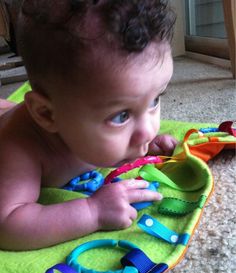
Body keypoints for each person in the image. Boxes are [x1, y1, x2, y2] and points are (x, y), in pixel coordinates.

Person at [0, 0, 177, 250]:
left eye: (154, 101)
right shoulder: (20, 149)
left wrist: (141, 148)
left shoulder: (81, 119)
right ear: (48, 115)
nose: (148, 130)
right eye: (121, 116)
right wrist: (92, 211)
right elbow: (8, 226)